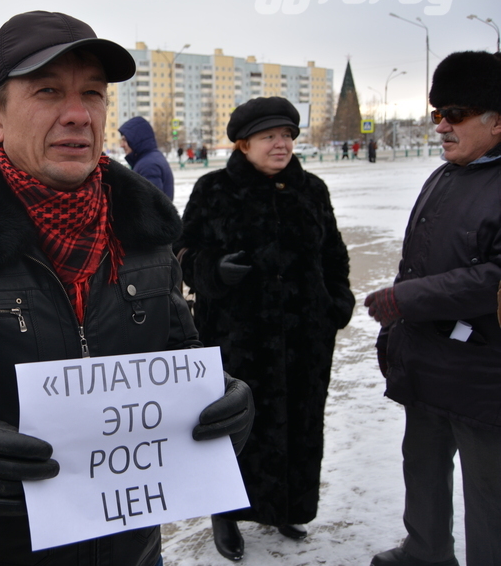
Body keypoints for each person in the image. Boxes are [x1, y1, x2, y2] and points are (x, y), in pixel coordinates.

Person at [0, 10, 254, 566]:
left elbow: (176, 352)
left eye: (92, 93)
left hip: (133, 550)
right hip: (0, 550)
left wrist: (221, 397)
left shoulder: (144, 235)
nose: (77, 114)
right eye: (48, 91)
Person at [175, 96, 354, 561]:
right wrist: (212, 269)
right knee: (236, 426)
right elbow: (182, 254)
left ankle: (286, 505)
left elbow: (333, 255)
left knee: (298, 422)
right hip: (240, 337)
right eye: (270, 136)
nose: (282, 144)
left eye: (288, 135)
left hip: (304, 337)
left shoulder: (311, 189)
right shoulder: (214, 189)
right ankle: (226, 513)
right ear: (243, 143)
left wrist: (337, 304)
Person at [365, 50, 501, 566]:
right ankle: (425, 552)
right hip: (427, 361)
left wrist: (405, 301)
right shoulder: (445, 175)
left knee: (490, 494)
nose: (441, 125)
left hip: (484, 375)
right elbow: (417, 263)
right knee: (421, 466)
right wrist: (396, 336)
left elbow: (493, 279)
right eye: (435, 112)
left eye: (455, 114)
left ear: (497, 120)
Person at [118, 115, 175, 200]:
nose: (121, 145)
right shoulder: (148, 159)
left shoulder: (148, 165)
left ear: (136, 139)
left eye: (125, 140)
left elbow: (151, 206)